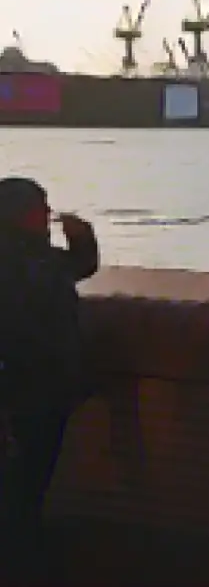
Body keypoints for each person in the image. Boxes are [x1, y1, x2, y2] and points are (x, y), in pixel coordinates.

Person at [0, 176, 98, 583]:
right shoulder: (15, 264)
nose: (46, 215)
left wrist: (83, 237)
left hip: (49, 395)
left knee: (31, 485)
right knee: (17, 493)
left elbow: (82, 266)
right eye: (39, 208)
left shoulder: (43, 258)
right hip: (19, 400)